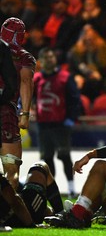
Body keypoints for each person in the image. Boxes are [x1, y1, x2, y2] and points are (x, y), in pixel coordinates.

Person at [33, 47, 81, 198]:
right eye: (46, 58)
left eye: (51, 57)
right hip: (43, 124)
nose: (49, 60)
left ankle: (72, 188)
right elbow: (29, 97)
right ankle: (51, 190)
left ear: (55, 59)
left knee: (64, 155)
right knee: (47, 159)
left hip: (61, 124)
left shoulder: (65, 77)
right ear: (40, 61)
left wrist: (70, 119)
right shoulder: (37, 79)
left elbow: (75, 100)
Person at [0, 17, 34, 190]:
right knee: (11, 170)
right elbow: (26, 82)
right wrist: (25, 114)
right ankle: (8, 212)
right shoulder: (23, 57)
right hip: (6, 112)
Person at [0, 160, 64, 229]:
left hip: (10, 216)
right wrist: (31, 225)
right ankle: (62, 215)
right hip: (15, 218)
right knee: (40, 166)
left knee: (37, 203)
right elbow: (13, 199)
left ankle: (50, 212)